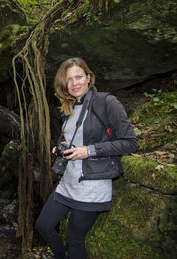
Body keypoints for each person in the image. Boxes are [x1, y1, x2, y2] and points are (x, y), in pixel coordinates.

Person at [35, 57, 138, 259]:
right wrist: (64, 147)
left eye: (79, 77)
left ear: (89, 77)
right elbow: (75, 137)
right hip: (68, 183)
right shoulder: (69, 108)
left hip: (93, 185)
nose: (75, 83)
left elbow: (130, 142)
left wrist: (89, 150)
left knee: (74, 238)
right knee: (43, 225)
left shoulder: (107, 102)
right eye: (69, 79)